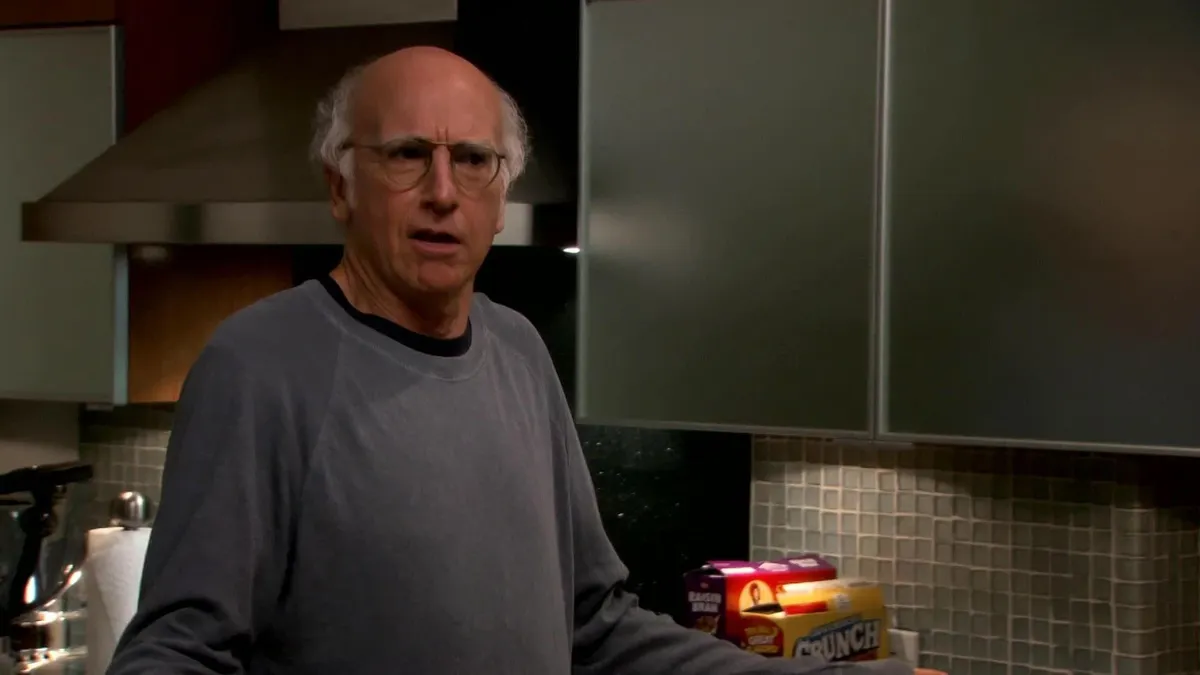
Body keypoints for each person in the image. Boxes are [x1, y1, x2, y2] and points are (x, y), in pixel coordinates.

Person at [106, 46, 945, 675]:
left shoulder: (517, 350)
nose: (443, 192)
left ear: (501, 194)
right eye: (407, 154)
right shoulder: (259, 366)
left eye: (473, 160)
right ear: (339, 188)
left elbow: (597, 626)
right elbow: (177, 650)